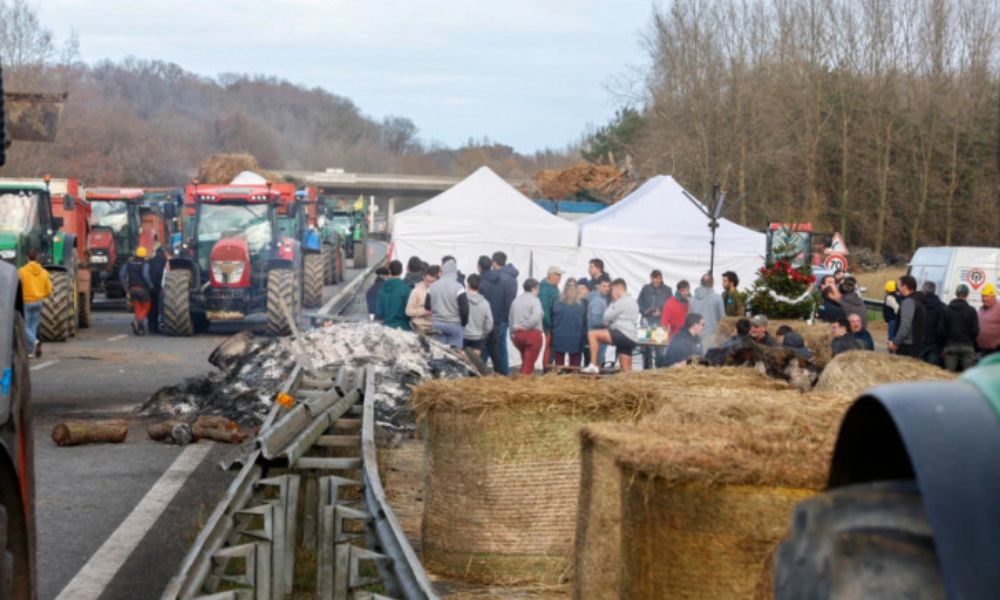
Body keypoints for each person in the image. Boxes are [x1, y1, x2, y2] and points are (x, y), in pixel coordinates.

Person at [582, 279, 640, 373]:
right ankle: (629, 382)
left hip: (623, 334)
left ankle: (593, 365)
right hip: (632, 338)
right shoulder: (633, 302)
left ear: (618, 289)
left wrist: (613, 302)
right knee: (627, 370)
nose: (611, 292)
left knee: (592, 334)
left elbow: (606, 316)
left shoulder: (621, 301)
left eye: (612, 290)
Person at [479, 252, 519, 374]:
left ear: (494, 262)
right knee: (502, 348)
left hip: (494, 317)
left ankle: (480, 371)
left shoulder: (496, 278)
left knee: (486, 346)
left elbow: (491, 298)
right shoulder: (512, 278)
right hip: (504, 318)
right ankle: (504, 374)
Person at [424, 258, 469, 347]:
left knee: (438, 354)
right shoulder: (459, 287)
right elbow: (465, 309)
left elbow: (427, 306)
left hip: (437, 325)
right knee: (455, 356)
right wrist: (463, 323)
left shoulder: (433, 286)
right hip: (454, 325)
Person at [18, 249, 52, 358]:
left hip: (26, 302)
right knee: (32, 327)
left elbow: (18, 287)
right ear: (37, 258)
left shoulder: (21, 271)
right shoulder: (44, 272)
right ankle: (29, 352)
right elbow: (49, 290)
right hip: (39, 302)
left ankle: (35, 341)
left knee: (24, 326)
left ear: (27, 258)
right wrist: (42, 295)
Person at [637, 270, 673, 369]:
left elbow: (670, 306)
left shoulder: (667, 290)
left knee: (660, 348)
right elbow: (639, 302)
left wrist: (661, 313)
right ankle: (647, 369)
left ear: (661, 279)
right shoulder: (645, 288)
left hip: (660, 322)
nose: (655, 281)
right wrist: (645, 311)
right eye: (653, 279)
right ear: (651, 278)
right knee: (645, 348)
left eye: (657, 279)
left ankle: (659, 369)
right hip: (646, 321)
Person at [941, 284, 980, 372]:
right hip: (967, 346)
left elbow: (940, 330)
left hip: (950, 346)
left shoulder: (946, 309)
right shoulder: (972, 310)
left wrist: (947, 340)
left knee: (948, 375)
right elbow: (976, 331)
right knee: (969, 376)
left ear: (956, 294)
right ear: (967, 295)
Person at [509, 278, 543, 375]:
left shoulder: (516, 300)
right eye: (538, 289)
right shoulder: (535, 301)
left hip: (517, 335)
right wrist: (525, 327)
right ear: (534, 288)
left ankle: (525, 381)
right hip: (532, 335)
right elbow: (536, 317)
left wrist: (512, 333)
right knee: (528, 363)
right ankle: (522, 384)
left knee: (526, 360)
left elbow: (511, 318)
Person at [551, 279, 586, 367]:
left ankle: (561, 377)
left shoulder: (557, 302)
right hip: (573, 336)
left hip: (562, 335)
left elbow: (552, 318)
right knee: (573, 363)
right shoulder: (581, 305)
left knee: (561, 363)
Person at [888, 275, 925, 358]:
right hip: (917, 343)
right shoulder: (919, 300)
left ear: (905, 286)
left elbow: (905, 325)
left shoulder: (908, 302)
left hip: (907, 346)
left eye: (899, 285)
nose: (898, 288)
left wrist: (895, 343)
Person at [121, 246, 154, 335]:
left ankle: (139, 328)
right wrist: (150, 285)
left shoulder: (129, 263)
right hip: (142, 289)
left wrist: (125, 287)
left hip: (132, 289)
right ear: (144, 255)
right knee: (147, 305)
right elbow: (146, 275)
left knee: (137, 307)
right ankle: (139, 322)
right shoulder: (145, 263)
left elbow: (122, 275)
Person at [689, 273, 724, 347]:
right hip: (712, 336)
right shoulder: (718, 298)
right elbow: (723, 320)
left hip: (696, 336)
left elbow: (689, 319)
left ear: (701, 283)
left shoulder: (691, 300)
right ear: (712, 283)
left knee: (696, 357)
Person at [375, 260, 412, 330]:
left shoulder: (382, 288)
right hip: (403, 327)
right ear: (401, 272)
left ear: (389, 271)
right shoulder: (406, 289)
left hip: (386, 327)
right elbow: (409, 312)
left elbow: (379, 312)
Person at [539, 266, 564, 369]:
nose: (559, 278)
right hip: (549, 325)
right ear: (550, 275)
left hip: (555, 324)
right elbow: (544, 309)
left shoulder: (554, 287)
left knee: (552, 348)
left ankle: (548, 368)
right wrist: (550, 325)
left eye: (560, 275)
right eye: (557, 275)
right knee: (549, 347)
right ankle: (546, 369)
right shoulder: (544, 288)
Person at [463, 274, 493, 355]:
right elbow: (489, 323)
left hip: (463, 335)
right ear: (479, 286)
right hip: (478, 337)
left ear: (468, 284)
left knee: (461, 363)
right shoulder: (485, 303)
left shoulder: (461, 300)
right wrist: (484, 333)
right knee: (474, 364)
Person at [405, 265, 439, 334]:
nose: (430, 284)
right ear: (423, 277)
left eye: (432, 282)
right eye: (427, 281)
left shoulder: (439, 289)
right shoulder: (416, 291)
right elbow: (408, 311)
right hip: (421, 327)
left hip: (436, 327)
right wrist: (426, 311)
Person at [586, 275, 611, 366]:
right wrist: (608, 323)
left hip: (598, 334)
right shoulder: (597, 300)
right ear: (598, 286)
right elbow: (594, 320)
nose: (606, 289)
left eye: (608, 286)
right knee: (597, 360)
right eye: (604, 286)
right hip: (597, 334)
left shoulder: (603, 298)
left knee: (598, 359)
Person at [919, 281, 946, 366]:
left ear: (925, 291)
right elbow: (943, 328)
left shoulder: (920, 306)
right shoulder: (942, 307)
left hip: (921, 344)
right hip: (936, 346)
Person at [147, 246, 168, 333]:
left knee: (151, 307)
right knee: (160, 307)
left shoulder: (149, 261)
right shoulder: (165, 262)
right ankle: (159, 325)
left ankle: (151, 326)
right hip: (159, 287)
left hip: (149, 287)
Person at [976, 283, 1000, 357]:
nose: (984, 299)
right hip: (982, 350)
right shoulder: (981, 309)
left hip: (996, 351)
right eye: (982, 296)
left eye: (986, 296)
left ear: (993, 297)